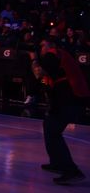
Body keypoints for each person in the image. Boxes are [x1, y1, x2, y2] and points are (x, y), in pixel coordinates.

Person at [37, 40, 89, 184]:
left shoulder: (52, 54)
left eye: (42, 45)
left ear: (50, 46)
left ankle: (72, 171)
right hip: (69, 98)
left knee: (53, 131)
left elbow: (39, 74)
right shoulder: (60, 56)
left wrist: (33, 60)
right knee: (49, 127)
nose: (40, 48)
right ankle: (57, 163)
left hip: (70, 98)